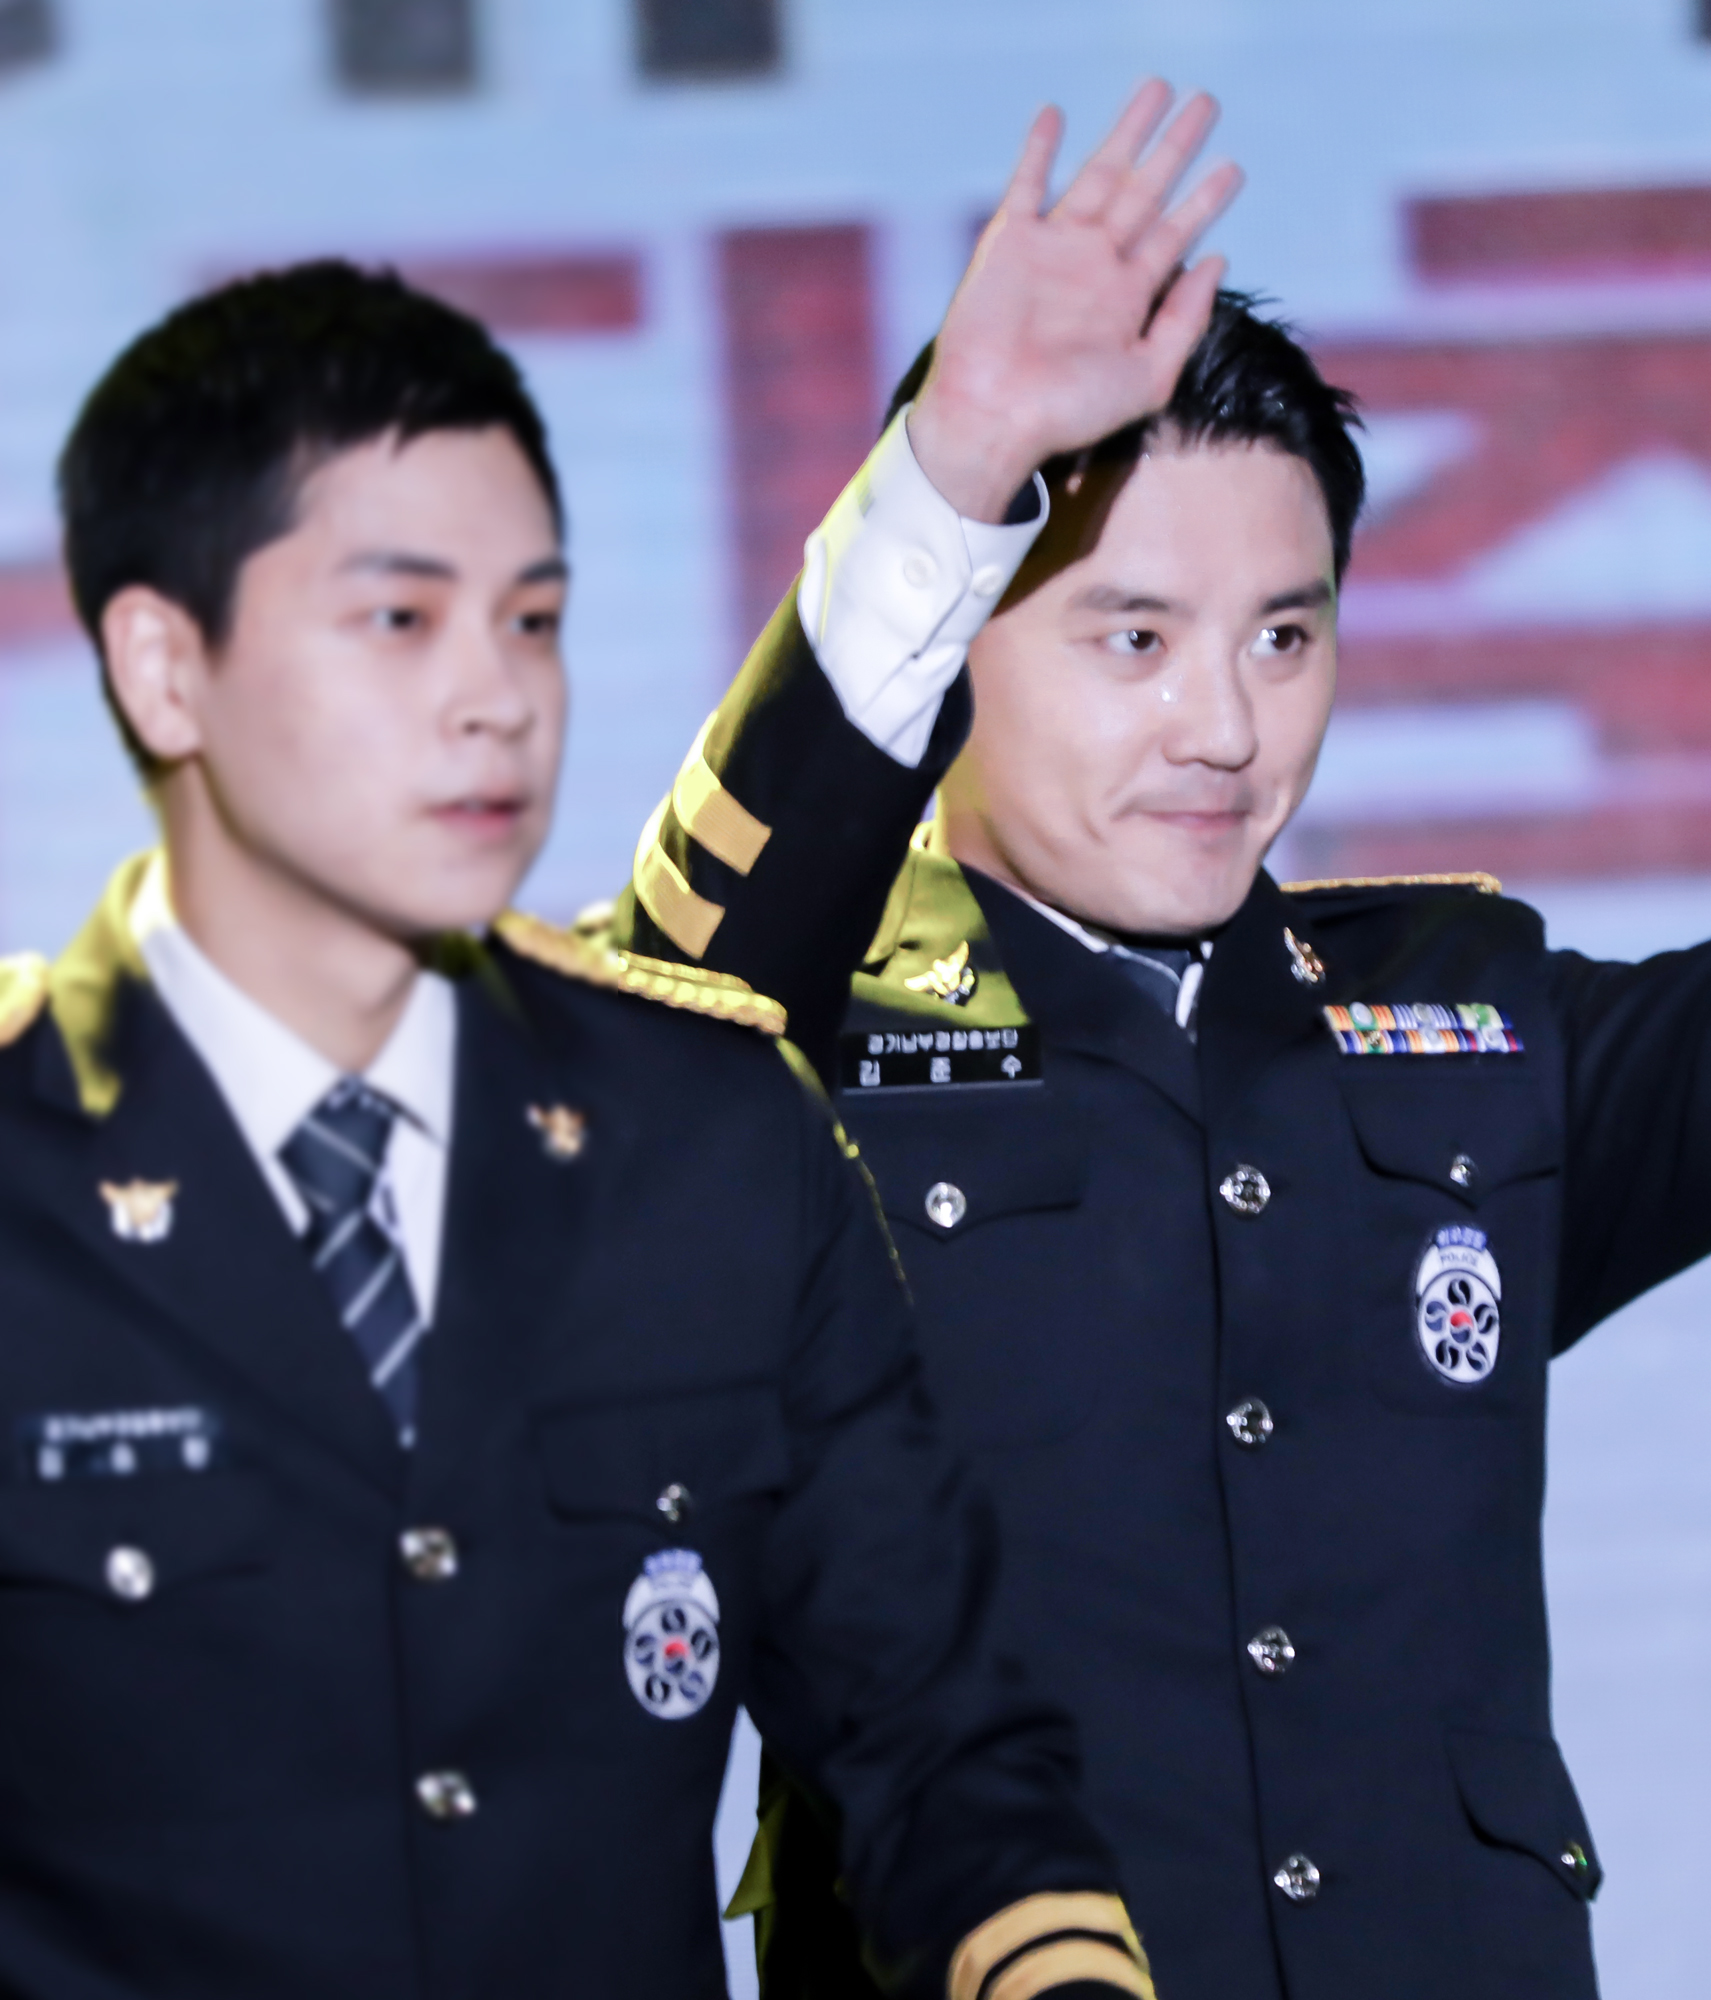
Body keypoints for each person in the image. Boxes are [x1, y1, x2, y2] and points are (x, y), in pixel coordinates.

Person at [606, 32, 1711, 1998]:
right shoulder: (792, 1054)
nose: (1225, 727)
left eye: (1286, 636)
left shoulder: (1462, 1025)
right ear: (960, 633)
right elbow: (645, 1031)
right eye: (1133, 638)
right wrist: (954, 472)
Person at [0, 262, 1150, 2000]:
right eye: (401, 620)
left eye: (530, 620)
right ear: (167, 669)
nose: (498, 698)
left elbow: (939, 1741)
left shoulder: (713, 1142)